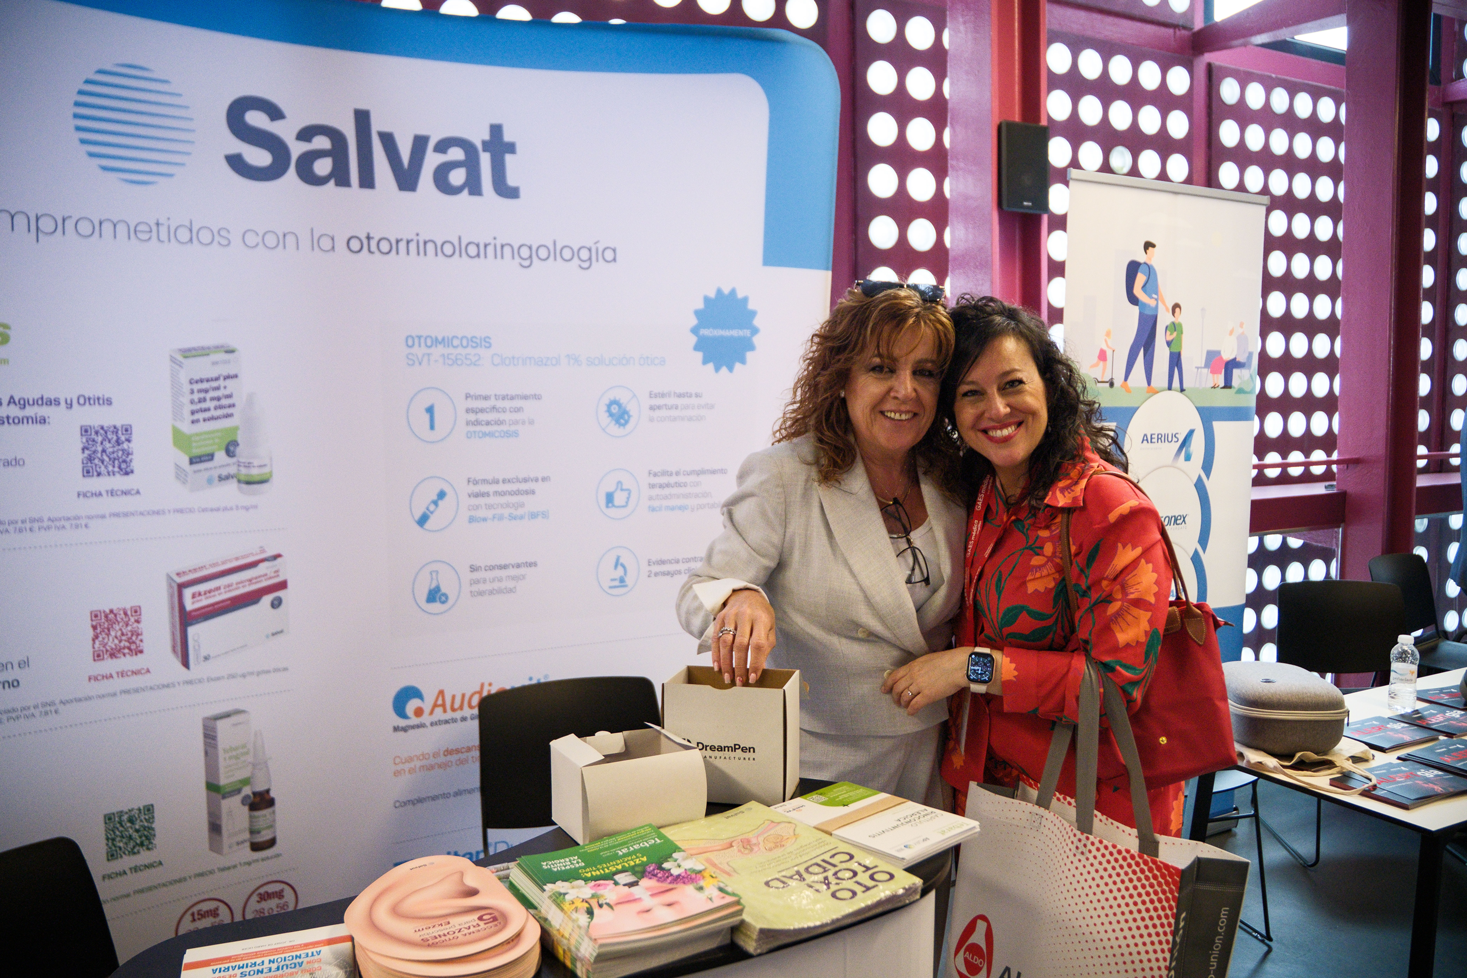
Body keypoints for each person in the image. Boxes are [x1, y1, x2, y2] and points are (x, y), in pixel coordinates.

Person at [881, 296, 1182, 834]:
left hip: (1086, 810)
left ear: (1050, 386)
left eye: (1013, 384)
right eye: (971, 393)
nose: (996, 409)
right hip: (988, 794)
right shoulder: (983, 495)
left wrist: (970, 667)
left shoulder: (1110, 508)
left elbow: (1113, 688)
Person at [676, 282, 968, 804]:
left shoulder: (956, 480)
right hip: (819, 762)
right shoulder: (785, 476)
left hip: (931, 752)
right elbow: (700, 589)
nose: (906, 390)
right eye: (881, 368)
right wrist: (739, 597)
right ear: (840, 379)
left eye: (925, 372)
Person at [1120, 241, 1169, 395]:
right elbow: (1136, 289)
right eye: (1152, 250)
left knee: (1150, 347)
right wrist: (1148, 301)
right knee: (1138, 343)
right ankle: (1125, 381)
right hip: (1146, 312)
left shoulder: (1153, 269)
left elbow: (1157, 289)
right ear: (1147, 250)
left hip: (1154, 313)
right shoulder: (1144, 268)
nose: (1153, 252)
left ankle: (1149, 385)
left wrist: (1165, 305)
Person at [1222, 321, 1251, 391]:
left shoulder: (1245, 338)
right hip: (1236, 359)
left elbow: (1246, 353)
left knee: (1230, 364)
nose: (1239, 327)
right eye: (1239, 326)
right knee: (1227, 363)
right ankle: (1226, 384)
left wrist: (1240, 358)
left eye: (1241, 326)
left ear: (1243, 327)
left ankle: (1229, 385)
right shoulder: (1237, 337)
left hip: (1242, 361)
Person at [1164, 302, 1184, 392]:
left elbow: (1182, 337)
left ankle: (1182, 387)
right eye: (1176, 312)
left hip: (1178, 351)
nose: (1178, 314)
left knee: (1180, 370)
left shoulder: (1180, 325)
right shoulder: (1171, 325)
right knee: (1171, 370)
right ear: (1173, 313)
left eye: (1179, 312)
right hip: (1173, 351)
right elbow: (1167, 337)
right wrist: (1173, 335)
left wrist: (1181, 349)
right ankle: (1169, 388)